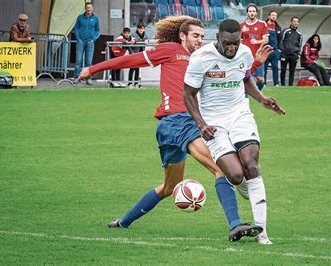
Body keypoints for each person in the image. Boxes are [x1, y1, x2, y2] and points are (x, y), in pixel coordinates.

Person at [78, 16, 271, 241]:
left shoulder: (206, 58)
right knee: (222, 170)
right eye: (195, 36)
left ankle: (123, 222)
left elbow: (233, 76)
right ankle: (235, 225)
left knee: (169, 187)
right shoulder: (169, 50)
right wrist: (92, 69)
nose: (200, 40)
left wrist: (255, 63)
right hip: (178, 121)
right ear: (182, 36)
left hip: (174, 127)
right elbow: (130, 60)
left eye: (202, 36)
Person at [183, 19, 285, 245]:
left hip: (240, 114)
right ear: (218, 38)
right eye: (228, 43)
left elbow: (245, 77)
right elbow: (188, 95)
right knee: (236, 175)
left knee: (251, 165)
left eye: (236, 43)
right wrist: (201, 124)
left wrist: (261, 99)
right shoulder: (201, 58)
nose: (232, 48)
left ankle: (263, 233)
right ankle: (246, 187)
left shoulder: (245, 52)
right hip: (213, 123)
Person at [241, 4, 269, 90]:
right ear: (247, 13)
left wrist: (256, 41)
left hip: (258, 56)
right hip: (245, 57)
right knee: (243, 78)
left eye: (253, 11)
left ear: (256, 13)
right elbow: (240, 40)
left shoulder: (262, 24)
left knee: (260, 79)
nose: (252, 13)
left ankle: (258, 92)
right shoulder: (242, 25)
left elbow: (266, 40)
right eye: (250, 11)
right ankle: (243, 95)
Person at [73, 2, 100, 85]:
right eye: (87, 8)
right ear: (85, 9)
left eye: (90, 8)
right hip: (81, 41)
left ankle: (88, 79)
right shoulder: (80, 17)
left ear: (92, 9)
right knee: (78, 61)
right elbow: (76, 28)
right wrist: (78, 38)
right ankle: (76, 78)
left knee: (88, 62)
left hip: (90, 42)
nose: (89, 9)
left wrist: (93, 39)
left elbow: (98, 30)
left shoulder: (95, 18)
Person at [279, 17, 302, 86]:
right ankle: (282, 85)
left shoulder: (299, 34)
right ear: (291, 22)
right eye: (294, 21)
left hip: (294, 55)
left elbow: (299, 45)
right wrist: (282, 51)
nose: (295, 23)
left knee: (292, 71)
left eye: (297, 22)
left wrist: (298, 54)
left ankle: (290, 86)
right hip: (285, 54)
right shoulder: (285, 31)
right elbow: (281, 41)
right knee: (283, 70)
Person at [129, 22, 149, 87]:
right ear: (137, 29)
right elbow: (130, 41)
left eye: (142, 28)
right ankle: (129, 83)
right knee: (132, 68)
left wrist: (147, 41)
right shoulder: (133, 35)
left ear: (144, 29)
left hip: (141, 53)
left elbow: (147, 40)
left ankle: (136, 82)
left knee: (138, 68)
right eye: (139, 28)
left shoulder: (145, 35)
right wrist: (133, 41)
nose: (141, 30)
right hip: (134, 53)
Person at [264, 11, 282, 86]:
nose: (274, 17)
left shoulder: (278, 27)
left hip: (274, 51)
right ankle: (263, 83)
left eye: (275, 15)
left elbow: (280, 39)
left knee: (275, 67)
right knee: (264, 68)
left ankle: (276, 84)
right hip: (265, 50)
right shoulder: (263, 25)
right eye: (272, 15)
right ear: (269, 16)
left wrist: (279, 50)